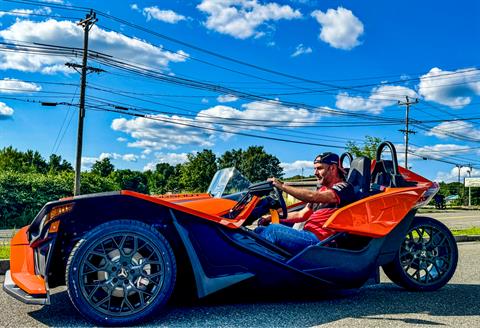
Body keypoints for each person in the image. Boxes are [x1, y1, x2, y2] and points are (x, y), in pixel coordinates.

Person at [255, 152, 355, 254]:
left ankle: (255, 265)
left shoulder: (344, 188)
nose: (315, 173)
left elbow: (313, 196)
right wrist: (271, 217)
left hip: (321, 241)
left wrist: (283, 186)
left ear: (333, 168)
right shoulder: (322, 190)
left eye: (319, 168)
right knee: (259, 230)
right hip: (307, 235)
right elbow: (301, 214)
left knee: (273, 231)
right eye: (314, 169)